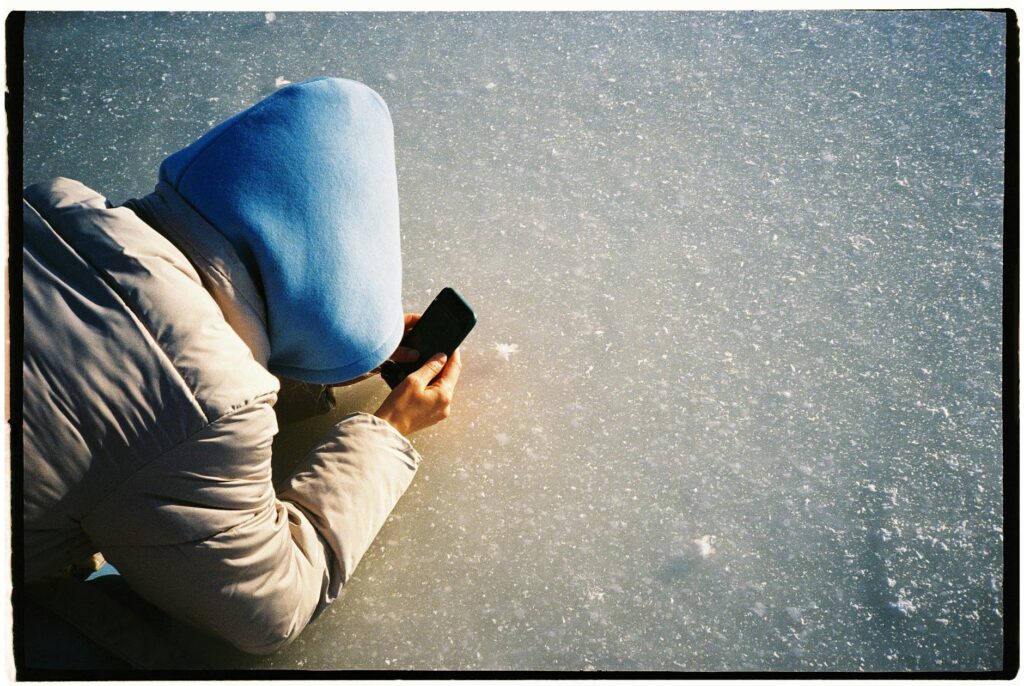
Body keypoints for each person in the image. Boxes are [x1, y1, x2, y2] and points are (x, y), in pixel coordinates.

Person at [22, 77, 462, 655]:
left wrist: (309, 370)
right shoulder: (209, 413)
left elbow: (142, 356)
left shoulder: (49, 207)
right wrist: (386, 432)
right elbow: (269, 607)